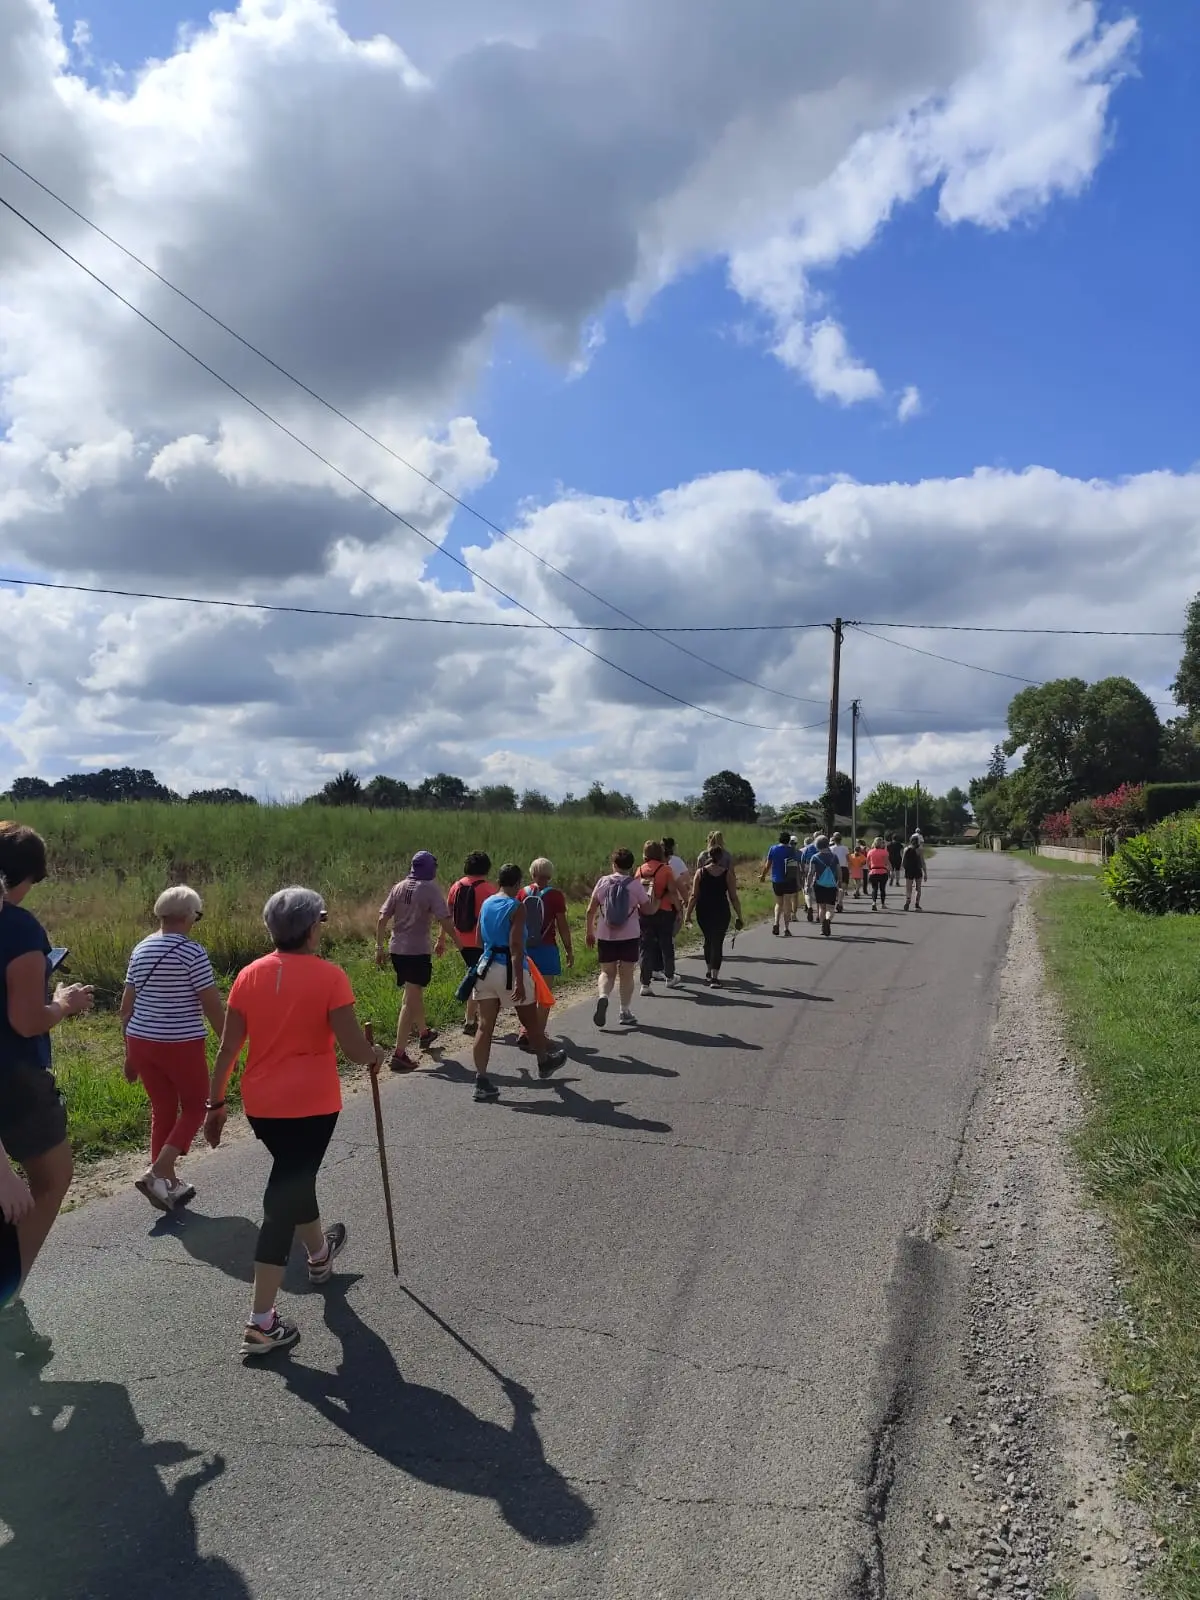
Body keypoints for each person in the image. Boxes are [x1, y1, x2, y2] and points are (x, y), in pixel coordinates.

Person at [205, 887, 387, 1358]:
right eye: (320, 922)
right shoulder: (330, 977)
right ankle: (261, 1321)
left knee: (294, 1176)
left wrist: (215, 1103)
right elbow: (353, 1048)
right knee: (282, 1197)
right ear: (311, 928)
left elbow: (228, 1048)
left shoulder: (248, 975)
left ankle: (320, 1256)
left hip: (263, 1106)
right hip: (311, 1105)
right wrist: (377, 1055)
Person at [0, 824, 94, 1304]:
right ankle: (8, 1291)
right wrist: (63, 1003)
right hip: (15, 1077)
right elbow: (25, 1019)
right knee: (53, 1177)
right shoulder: (18, 927)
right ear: (27, 877)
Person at [120, 886, 226, 1213]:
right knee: (195, 1106)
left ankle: (166, 1187)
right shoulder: (193, 953)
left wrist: (129, 1055)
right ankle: (158, 1171)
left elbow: (126, 1007)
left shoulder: (141, 949)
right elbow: (211, 1006)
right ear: (189, 915)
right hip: (179, 1042)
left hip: (141, 1041)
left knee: (163, 1108)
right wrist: (228, 1044)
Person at [468, 865, 567, 1100]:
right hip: (509, 969)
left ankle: (481, 1079)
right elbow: (515, 946)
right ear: (518, 882)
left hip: (486, 967)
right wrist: (519, 981)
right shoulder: (517, 907)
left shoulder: (487, 903)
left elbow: (478, 939)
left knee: (484, 1026)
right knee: (530, 1020)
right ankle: (544, 1061)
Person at [375, 852, 456, 1072]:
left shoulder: (399, 887)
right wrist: (458, 941)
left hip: (397, 949)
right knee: (409, 1001)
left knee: (413, 991)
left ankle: (424, 1033)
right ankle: (399, 1053)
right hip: (416, 951)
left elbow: (382, 918)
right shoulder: (429, 888)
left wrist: (379, 947)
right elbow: (444, 918)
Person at [587, 849, 650, 1025]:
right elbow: (646, 909)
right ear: (631, 866)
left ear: (613, 864)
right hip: (630, 935)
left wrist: (589, 932)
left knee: (607, 972)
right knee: (627, 974)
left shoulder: (603, 882)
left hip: (605, 935)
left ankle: (603, 996)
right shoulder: (635, 885)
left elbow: (590, 910)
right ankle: (624, 1011)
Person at [517, 858, 573, 1054]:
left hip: (526, 950)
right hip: (547, 948)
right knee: (544, 996)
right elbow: (562, 926)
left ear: (532, 873)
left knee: (529, 994)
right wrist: (569, 949)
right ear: (550, 874)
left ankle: (526, 1029)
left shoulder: (522, 892)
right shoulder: (556, 896)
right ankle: (538, 1035)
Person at [685, 831, 744, 987]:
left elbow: (693, 895)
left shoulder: (700, 872)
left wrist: (688, 914)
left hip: (703, 910)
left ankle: (708, 971)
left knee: (708, 941)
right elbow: (733, 897)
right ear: (721, 857)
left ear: (709, 855)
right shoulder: (727, 874)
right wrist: (739, 915)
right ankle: (715, 977)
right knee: (717, 942)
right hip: (721, 910)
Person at [447, 853, 497, 1037]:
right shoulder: (489, 890)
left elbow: (447, 914)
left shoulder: (456, 886)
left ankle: (471, 1018)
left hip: (461, 939)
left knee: (475, 973)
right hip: (480, 940)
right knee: (478, 978)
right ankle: (471, 1019)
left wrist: (442, 938)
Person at [636, 841, 685, 995]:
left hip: (645, 912)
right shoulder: (665, 870)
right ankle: (670, 977)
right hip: (664, 911)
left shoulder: (639, 870)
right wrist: (679, 909)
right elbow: (672, 892)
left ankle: (645, 984)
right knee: (666, 944)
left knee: (645, 947)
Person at [760, 829, 800, 937]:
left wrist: (763, 875)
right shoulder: (792, 850)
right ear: (788, 840)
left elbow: (768, 864)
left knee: (778, 903)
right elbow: (795, 866)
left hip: (777, 880)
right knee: (787, 904)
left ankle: (776, 923)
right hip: (789, 880)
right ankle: (786, 928)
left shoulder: (773, 849)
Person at [806, 835, 842, 937]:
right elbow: (839, 871)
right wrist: (840, 882)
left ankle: (823, 926)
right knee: (830, 908)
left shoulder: (815, 857)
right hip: (831, 885)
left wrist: (807, 885)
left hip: (819, 885)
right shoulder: (834, 857)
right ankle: (828, 920)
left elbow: (811, 873)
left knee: (821, 907)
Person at [798, 833, 820, 923]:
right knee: (818, 890)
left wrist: (803, 870)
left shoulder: (807, 848)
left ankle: (809, 906)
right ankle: (819, 914)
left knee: (807, 889)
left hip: (807, 865)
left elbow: (802, 859)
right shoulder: (821, 847)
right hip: (819, 867)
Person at [902, 835, 928, 910]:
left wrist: (905, 868)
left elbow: (903, 861)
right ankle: (917, 903)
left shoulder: (906, 849)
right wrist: (925, 873)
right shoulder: (920, 850)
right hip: (917, 869)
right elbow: (922, 862)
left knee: (908, 888)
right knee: (918, 888)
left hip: (909, 870)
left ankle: (908, 900)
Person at [867, 838, 892, 908]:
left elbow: (867, 862)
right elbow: (887, 863)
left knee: (874, 888)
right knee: (882, 889)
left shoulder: (870, 852)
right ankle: (883, 904)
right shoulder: (884, 852)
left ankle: (874, 902)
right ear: (881, 844)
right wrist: (889, 870)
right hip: (882, 872)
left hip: (873, 872)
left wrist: (870, 869)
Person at [830, 831, 850, 913]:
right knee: (842, 886)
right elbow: (848, 859)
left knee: (835, 886)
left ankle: (838, 903)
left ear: (834, 840)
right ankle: (840, 903)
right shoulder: (845, 848)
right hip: (844, 868)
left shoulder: (831, 849)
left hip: (834, 868)